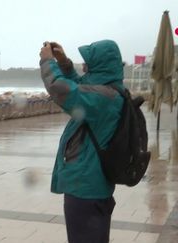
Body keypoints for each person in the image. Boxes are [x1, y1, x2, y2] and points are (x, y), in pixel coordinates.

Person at [39, 40, 124, 243]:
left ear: (99, 66)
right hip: (93, 185)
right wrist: (65, 64)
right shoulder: (110, 91)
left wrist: (47, 62)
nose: (84, 66)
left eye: (88, 63)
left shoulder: (103, 97)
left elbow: (61, 89)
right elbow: (80, 86)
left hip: (86, 189)